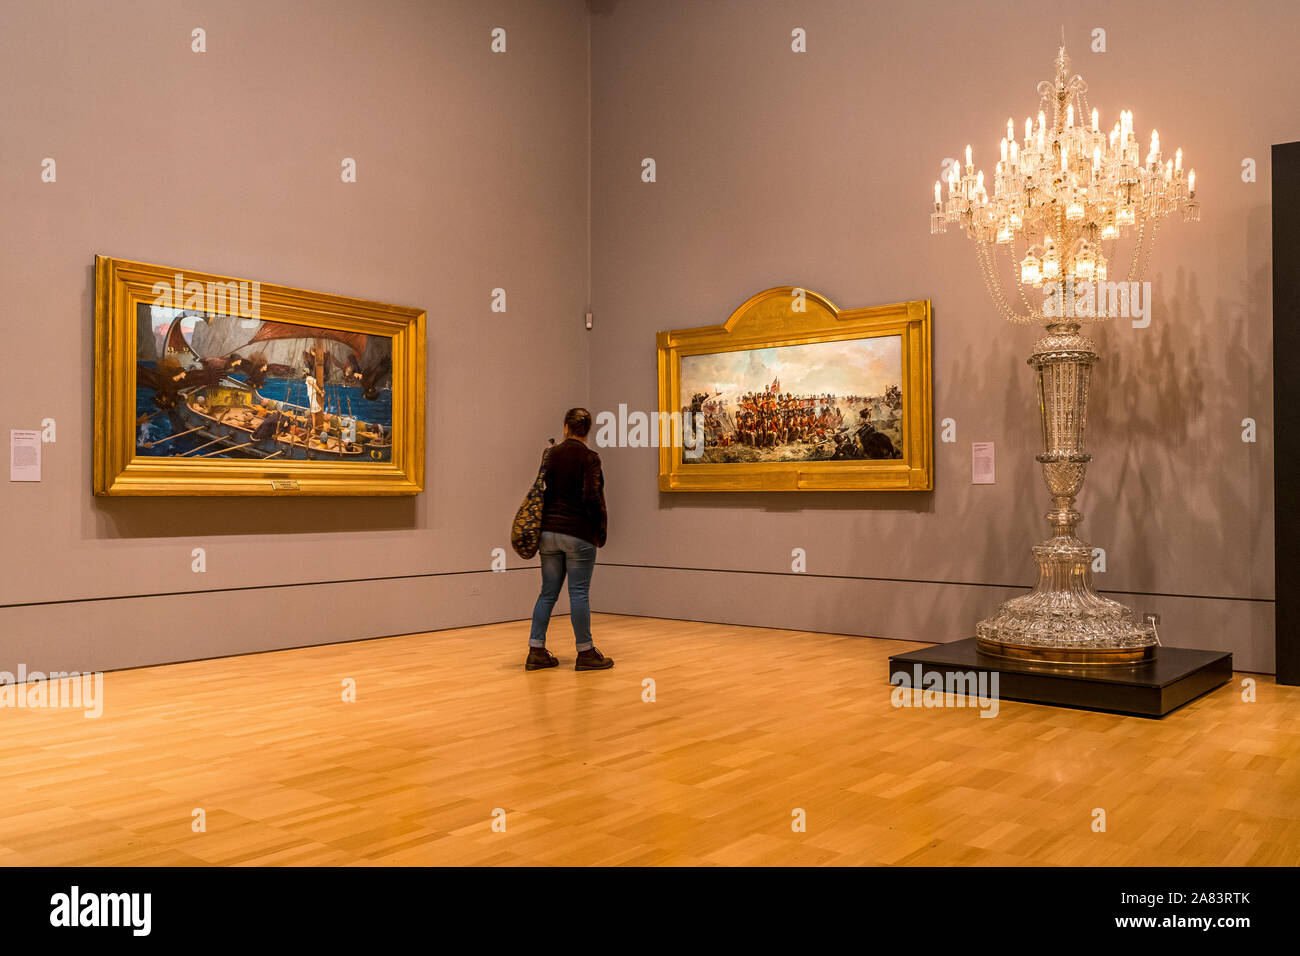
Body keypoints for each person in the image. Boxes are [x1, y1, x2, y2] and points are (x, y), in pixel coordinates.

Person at [526, 407, 613, 672]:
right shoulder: (590, 458)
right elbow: (592, 497)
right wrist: (599, 531)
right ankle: (585, 653)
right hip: (577, 534)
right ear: (587, 430)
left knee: (548, 592)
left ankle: (536, 651)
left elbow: (541, 491)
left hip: (549, 533)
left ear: (566, 427)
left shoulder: (551, 455)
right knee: (578, 592)